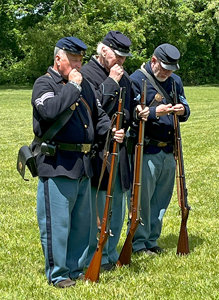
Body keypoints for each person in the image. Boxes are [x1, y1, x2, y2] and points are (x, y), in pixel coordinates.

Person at [31, 36, 124, 288]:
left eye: (81, 59)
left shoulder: (83, 86)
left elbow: (98, 114)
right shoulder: (45, 84)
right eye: (73, 59)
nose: (78, 64)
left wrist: (110, 130)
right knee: (57, 226)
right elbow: (49, 111)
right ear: (58, 58)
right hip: (58, 162)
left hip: (83, 164)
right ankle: (58, 274)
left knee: (82, 225)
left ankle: (76, 267)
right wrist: (71, 88)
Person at [81, 30, 149, 270]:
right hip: (99, 150)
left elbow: (130, 106)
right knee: (100, 207)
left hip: (120, 149)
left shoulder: (126, 76)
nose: (121, 61)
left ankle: (110, 254)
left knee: (118, 205)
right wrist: (110, 81)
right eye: (117, 55)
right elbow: (90, 109)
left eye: (123, 57)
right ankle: (94, 254)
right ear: (103, 50)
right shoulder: (86, 74)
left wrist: (140, 112)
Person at [129, 43, 190, 255]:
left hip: (169, 149)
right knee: (143, 199)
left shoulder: (175, 82)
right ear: (153, 61)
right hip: (147, 148)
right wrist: (156, 112)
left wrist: (182, 110)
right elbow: (131, 115)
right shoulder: (135, 80)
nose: (167, 72)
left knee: (161, 199)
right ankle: (138, 242)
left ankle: (152, 240)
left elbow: (186, 107)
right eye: (164, 67)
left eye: (171, 69)